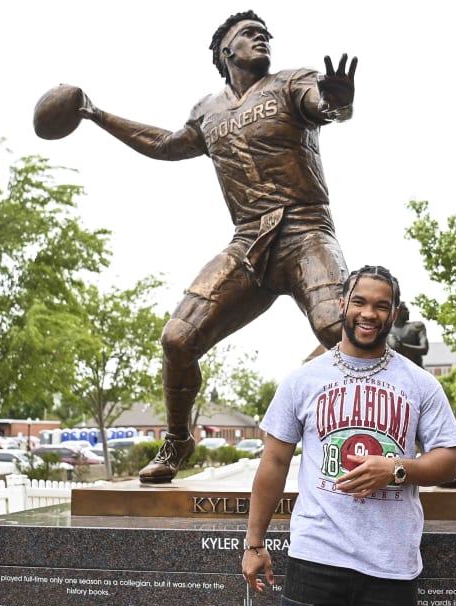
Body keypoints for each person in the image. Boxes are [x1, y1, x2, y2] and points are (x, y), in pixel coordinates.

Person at [71, 11, 358, 482]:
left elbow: (323, 104)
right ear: (227, 51)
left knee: (337, 326)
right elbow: (164, 143)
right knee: (177, 339)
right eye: (249, 34)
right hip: (250, 240)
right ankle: (178, 441)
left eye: (265, 34)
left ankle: (429, 440)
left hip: (306, 230)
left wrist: (339, 101)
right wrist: (96, 114)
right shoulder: (208, 110)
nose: (261, 38)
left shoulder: (292, 81)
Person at [242, 265, 456, 606]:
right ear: (342, 304)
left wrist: (395, 470)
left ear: (393, 313)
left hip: (390, 564)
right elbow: (274, 462)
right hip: (315, 558)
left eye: (381, 306)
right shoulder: (303, 381)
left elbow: (449, 461)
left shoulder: (420, 384)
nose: (369, 314)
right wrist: (254, 544)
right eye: (359, 302)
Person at [387, 301, 429, 367]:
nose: (408, 312)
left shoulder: (417, 327)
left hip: (415, 370)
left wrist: (403, 347)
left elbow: (424, 349)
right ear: (397, 312)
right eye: (405, 310)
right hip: (394, 370)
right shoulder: (387, 330)